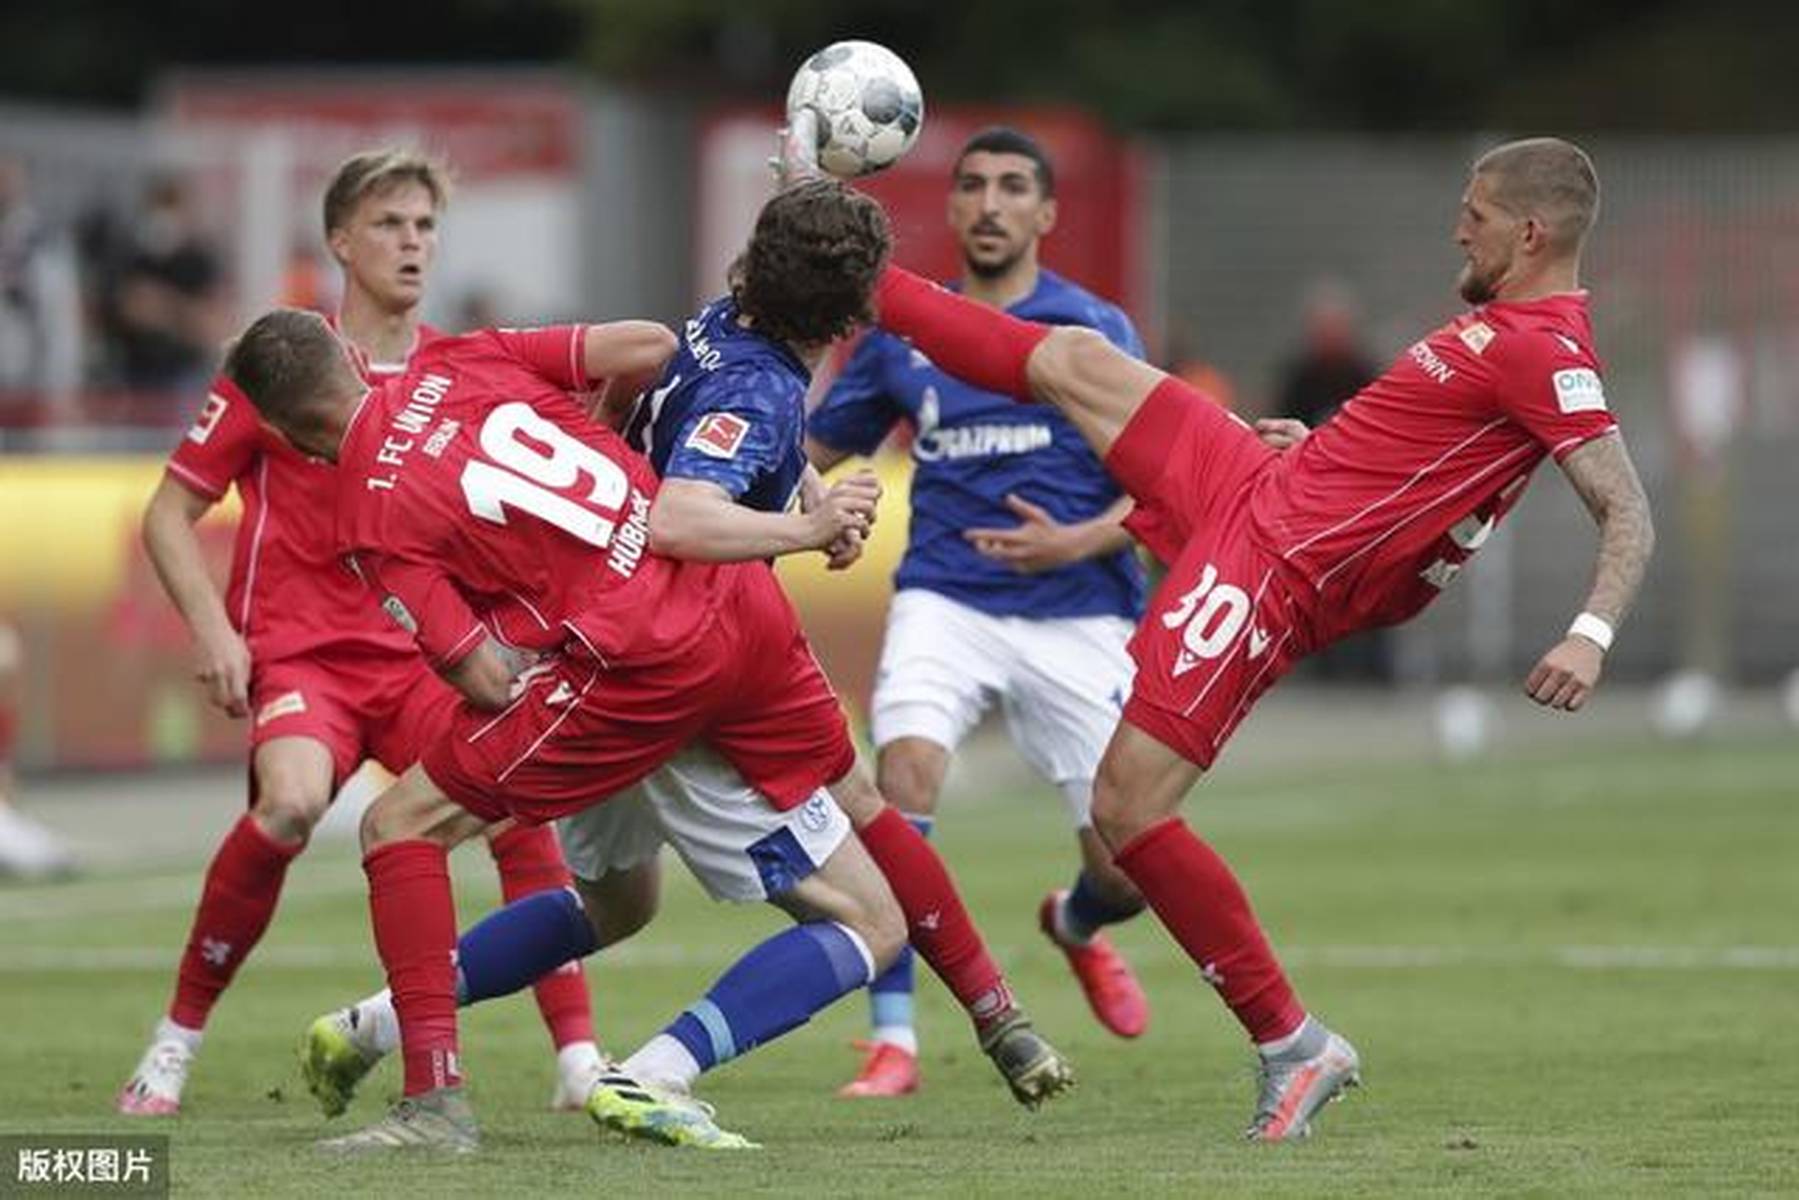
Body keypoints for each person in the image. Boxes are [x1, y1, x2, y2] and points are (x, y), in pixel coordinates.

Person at [823, 136, 1655, 1140]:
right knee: (1074, 359)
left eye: (1472, 215)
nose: (1455, 230)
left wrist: (1588, 633)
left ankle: (1290, 1042)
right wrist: (1325, 450)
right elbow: (1424, 458)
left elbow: (1625, 508)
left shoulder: (1546, 350)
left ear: (1527, 234)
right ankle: (858, 280)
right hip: (1270, 484)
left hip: (1279, 564)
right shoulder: (1497, 325)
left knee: (1124, 805)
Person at [297, 178, 1072, 1147]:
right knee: (864, 902)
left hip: (628, 630)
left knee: (618, 902)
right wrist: (804, 526)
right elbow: (680, 510)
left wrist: (795, 488)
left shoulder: (712, 326)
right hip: (678, 644)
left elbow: (675, 394)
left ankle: (375, 1023)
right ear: (853, 313)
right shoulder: (756, 385)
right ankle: (656, 1070)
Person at [117, 150, 649, 1116]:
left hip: (424, 660)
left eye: (424, 225)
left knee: (517, 810)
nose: (412, 243)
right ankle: (175, 1041)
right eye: (389, 224)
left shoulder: (454, 365)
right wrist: (214, 632)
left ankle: (576, 1053)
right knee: (289, 806)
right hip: (305, 655)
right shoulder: (284, 366)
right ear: (339, 242)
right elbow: (167, 513)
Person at [804, 126, 1153, 1098]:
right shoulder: (901, 337)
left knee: (1128, 870)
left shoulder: (1091, 329)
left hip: (1079, 608)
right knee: (902, 781)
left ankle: (1074, 923)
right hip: (944, 599)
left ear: (1045, 213)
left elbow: (1161, 475)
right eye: (972, 186)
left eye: (1011, 187)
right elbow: (809, 454)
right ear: (952, 207)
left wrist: (1077, 540)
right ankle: (893, 1041)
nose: (990, 203)